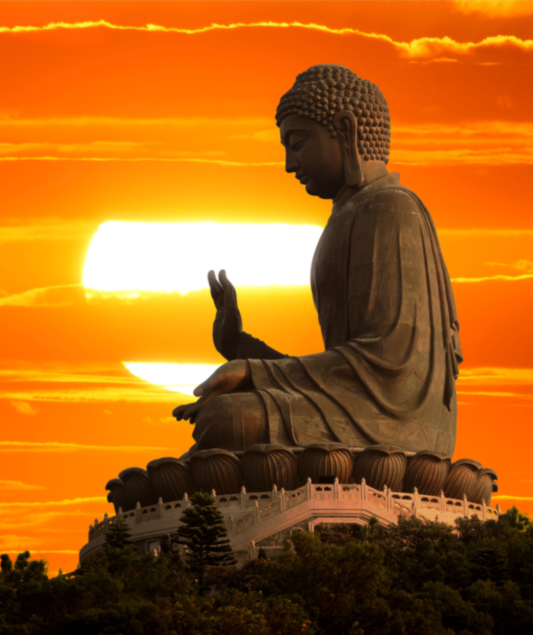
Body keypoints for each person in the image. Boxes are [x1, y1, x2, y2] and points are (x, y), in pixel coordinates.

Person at [173, 64, 462, 457]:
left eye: (298, 143)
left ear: (345, 129)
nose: (290, 164)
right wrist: (241, 348)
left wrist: (255, 372)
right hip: (353, 409)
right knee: (223, 420)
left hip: (395, 426)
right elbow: (342, 376)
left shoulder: (390, 208)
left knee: (225, 421)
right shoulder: (345, 216)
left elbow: (386, 365)